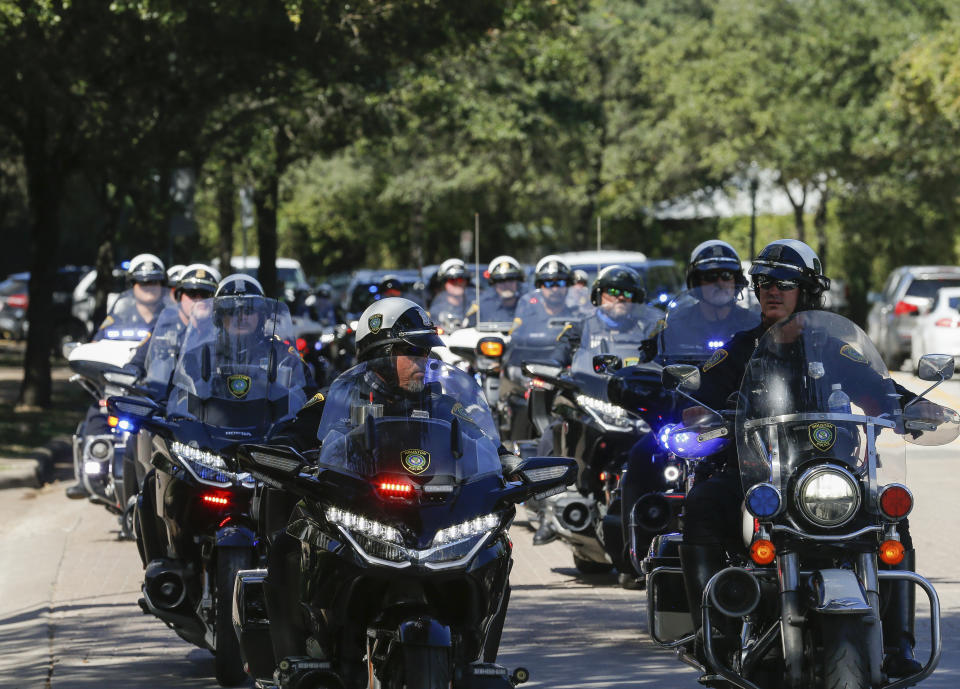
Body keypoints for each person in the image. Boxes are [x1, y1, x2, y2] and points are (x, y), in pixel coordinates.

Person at [679, 239, 923, 676]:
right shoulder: (740, 349)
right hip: (757, 477)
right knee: (702, 503)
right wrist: (693, 412)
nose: (772, 290)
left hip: (832, 475)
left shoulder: (834, 349)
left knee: (890, 512)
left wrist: (913, 410)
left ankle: (899, 645)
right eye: (764, 282)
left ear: (807, 291)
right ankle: (713, 636)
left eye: (785, 283)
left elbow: (880, 392)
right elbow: (698, 395)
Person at [65, 253, 169, 499]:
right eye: (143, 282)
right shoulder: (117, 315)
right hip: (118, 390)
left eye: (154, 281)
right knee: (96, 415)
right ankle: (89, 475)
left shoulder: (171, 316)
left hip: (152, 394)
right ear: (132, 285)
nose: (149, 288)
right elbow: (97, 345)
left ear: (163, 284)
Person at [655, 240, 759, 364]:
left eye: (726, 275)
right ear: (696, 282)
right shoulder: (676, 325)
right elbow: (655, 368)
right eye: (711, 276)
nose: (720, 283)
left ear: (737, 280)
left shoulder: (753, 324)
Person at [556, 265, 662, 383]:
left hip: (633, 393)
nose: (621, 297)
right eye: (613, 291)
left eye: (627, 294)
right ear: (599, 295)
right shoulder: (579, 327)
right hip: (587, 392)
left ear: (635, 299)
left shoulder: (647, 329)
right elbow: (556, 358)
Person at [465, 255, 525, 326]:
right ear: (493, 284)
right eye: (500, 280)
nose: (506, 285)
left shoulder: (528, 306)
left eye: (510, 279)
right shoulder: (481, 308)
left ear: (517, 281)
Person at [427, 258, 473, 328]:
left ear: (467, 281)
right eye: (452, 280)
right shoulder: (435, 310)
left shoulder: (474, 307)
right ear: (444, 283)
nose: (458, 283)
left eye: (461, 279)